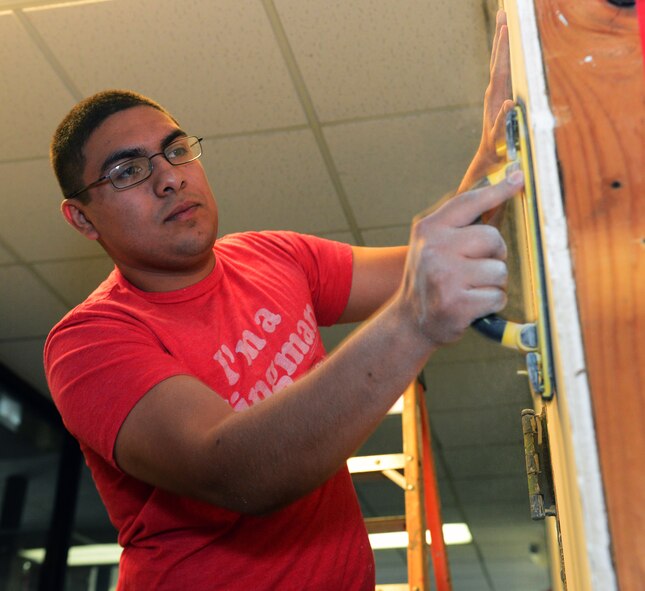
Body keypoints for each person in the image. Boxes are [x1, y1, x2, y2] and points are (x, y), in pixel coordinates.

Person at [44, 12, 522, 591]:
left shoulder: (270, 255)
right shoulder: (90, 342)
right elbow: (237, 471)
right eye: (128, 171)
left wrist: (495, 149)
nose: (169, 178)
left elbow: (421, 270)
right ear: (82, 218)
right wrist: (413, 322)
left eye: (176, 151)